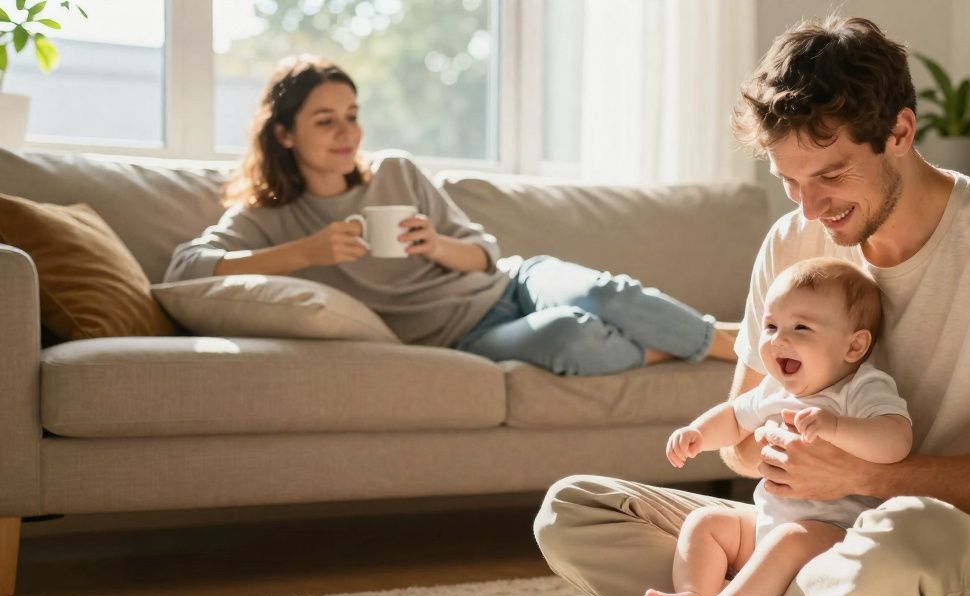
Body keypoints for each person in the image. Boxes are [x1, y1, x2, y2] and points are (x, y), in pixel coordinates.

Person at [534, 15, 970, 596]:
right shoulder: (792, 239)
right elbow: (743, 438)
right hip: (812, 529)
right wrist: (777, 448)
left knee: (905, 534)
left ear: (899, 132)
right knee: (573, 508)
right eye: (788, 181)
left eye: (831, 174)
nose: (809, 206)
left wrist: (869, 477)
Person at [164, 55, 737, 376]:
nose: (348, 133)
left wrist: (435, 244)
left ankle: (741, 352)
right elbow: (185, 269)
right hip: (459, 337)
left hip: (512, 281)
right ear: (284, 133)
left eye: (353, 114)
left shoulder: (395, 171)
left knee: (610, 296)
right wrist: (305, 254)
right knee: (572, 340)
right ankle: (674, 345)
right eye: (326, 120)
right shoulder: (271, 216)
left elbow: (482, 251)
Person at [642, 257, 912, 596]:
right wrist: (698, 433)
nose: (778, 340)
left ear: (854, 345)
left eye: (801, 327)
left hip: (837, 536)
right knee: (707, 523)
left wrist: (836, 427)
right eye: (771, 326)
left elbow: (896, 440)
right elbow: (735, 419)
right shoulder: (775, 389)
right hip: (770, 528)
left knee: (789, 540)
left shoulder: (862, 388)